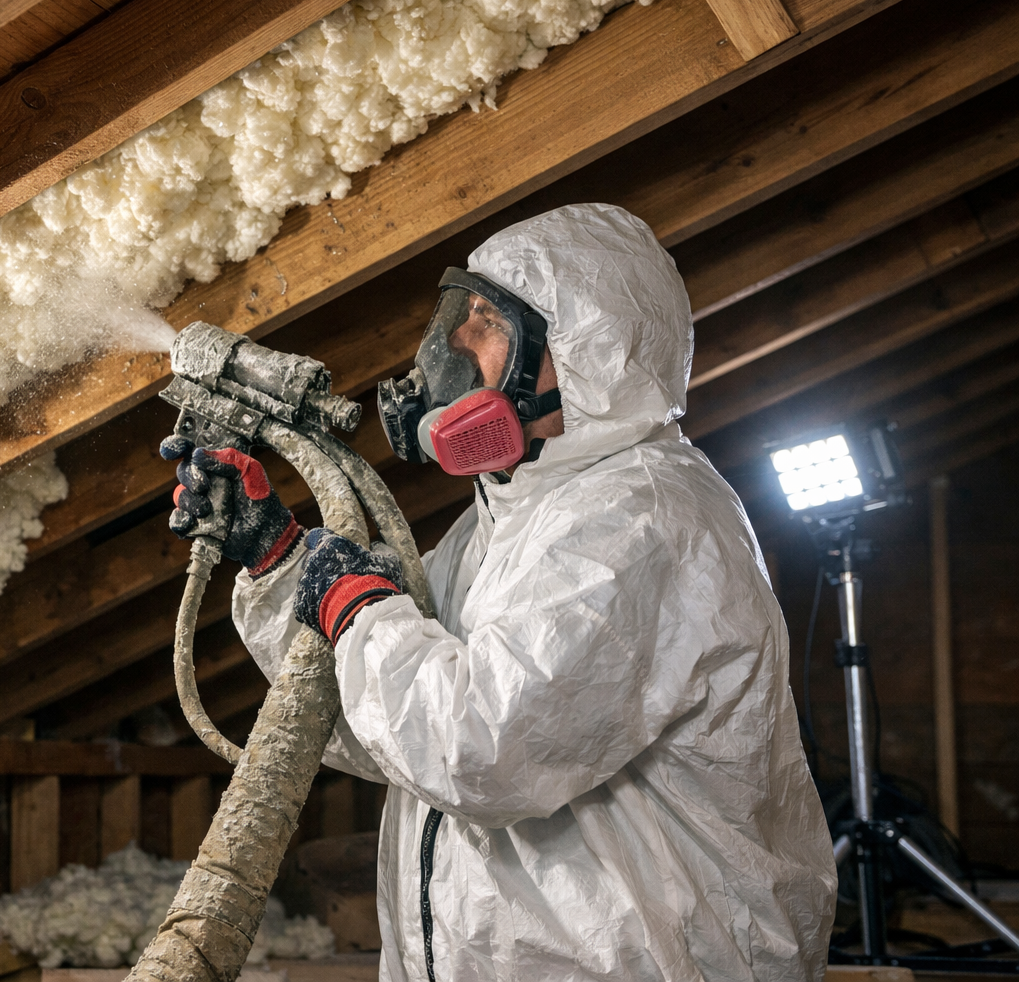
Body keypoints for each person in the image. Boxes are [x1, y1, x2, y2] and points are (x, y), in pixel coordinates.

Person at [162, 203, 837, 981]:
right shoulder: (507, 522)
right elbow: (385, 730)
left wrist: (356, 604)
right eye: (462, 312)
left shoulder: (640, 517)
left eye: (487, 321)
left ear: (584, 350)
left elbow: (473, 749)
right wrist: (277, 562)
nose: (453, 342)